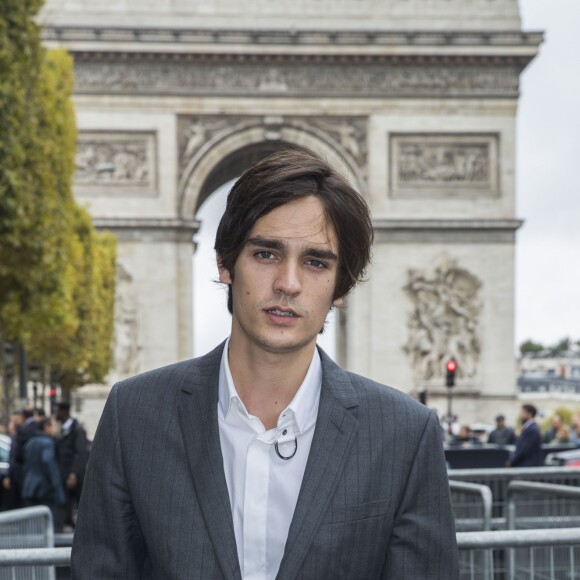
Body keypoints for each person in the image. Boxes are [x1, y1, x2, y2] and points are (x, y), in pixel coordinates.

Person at [72, 148, 459, 579]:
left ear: (341, 286)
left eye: (315, 262)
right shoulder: (134, 415)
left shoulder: (404, 435)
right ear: (225, 263)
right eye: (266, 254)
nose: (288, 284)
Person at [21, 417, 66, 525]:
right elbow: (50, 465)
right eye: (53, 425)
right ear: (46, 427)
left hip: (30, 487)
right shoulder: (47, 443)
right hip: (44, 489)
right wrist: (59, 492)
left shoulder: (30, 442)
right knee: (47, 525)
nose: (55, 429)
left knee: (32, 526)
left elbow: (26, 466)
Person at [54, 401, 88, 531]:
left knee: (77, 504)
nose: (55, 414)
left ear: (64, 412)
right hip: (65, 474)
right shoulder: (62, 428)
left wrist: (73, 474)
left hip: (74, 476)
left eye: (57, 411)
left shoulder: (77, 429)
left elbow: (80, 454)